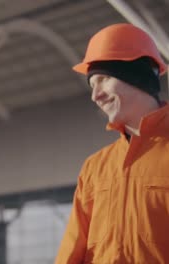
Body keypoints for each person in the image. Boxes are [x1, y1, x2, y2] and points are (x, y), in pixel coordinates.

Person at [55, 23, 169, 263]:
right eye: (92, 85)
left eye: (103, 79)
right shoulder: (94, 169)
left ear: (137, 76)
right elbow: (71, 253)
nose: (95, 95)